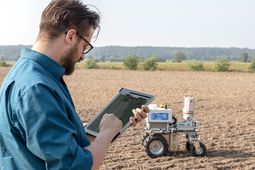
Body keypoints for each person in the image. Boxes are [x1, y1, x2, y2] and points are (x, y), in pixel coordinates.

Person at [0, 0, 149, 169]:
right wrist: (106, 133)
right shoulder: (37, 89)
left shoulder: (26, 72)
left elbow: (53, 141)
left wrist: (112, 126)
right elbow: (74, 166)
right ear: (70, 36)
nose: (82, 57)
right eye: (85, 46)